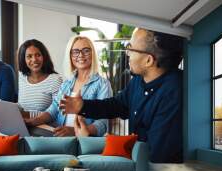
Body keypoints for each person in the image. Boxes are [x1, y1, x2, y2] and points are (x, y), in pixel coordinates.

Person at [60, 28, 184, 163]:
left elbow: (156, 155)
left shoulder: (174, 91)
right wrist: (82, 106)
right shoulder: (138, 80)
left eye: (130, 48)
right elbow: (117, 105)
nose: (127, 53)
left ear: (148, 60)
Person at [25, 36, 112, 137]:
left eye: (86, 50)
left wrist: (74, 131)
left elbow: (102, 124)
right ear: (70, 56)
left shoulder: (103, 84)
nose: (81, 55)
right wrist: (34, 121)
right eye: (75, 51)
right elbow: (53, 110)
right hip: (60, 137)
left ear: (93, 54)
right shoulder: (67, 84)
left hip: (83, 141)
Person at [17, 39, 63, 118]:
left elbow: (57, 112)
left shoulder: (55, 80)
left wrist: (27, 115)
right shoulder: (22, 77)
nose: (34, 60)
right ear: (23, 60)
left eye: (38, 55)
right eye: (29, 56)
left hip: (45, 126)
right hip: (23, 123)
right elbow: (21, 106)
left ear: (44, 57)